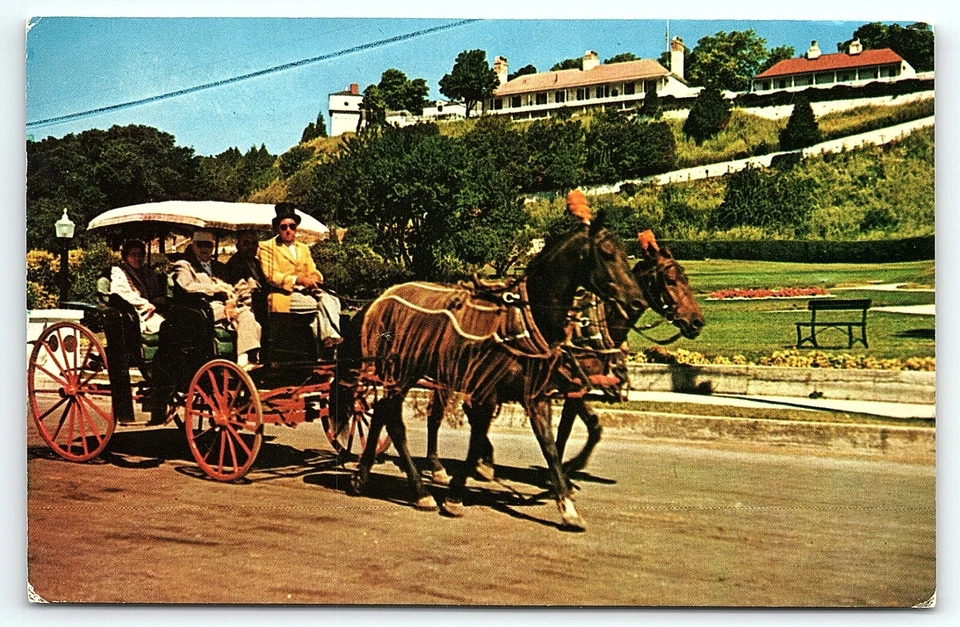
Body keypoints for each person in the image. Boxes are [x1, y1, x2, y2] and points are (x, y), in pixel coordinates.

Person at [171, 230, 261, 369]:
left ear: (213, 247)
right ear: (193, 246)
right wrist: (216, 288)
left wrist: (231, 302)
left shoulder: (219, 267)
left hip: (223, 307)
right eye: (200, 245)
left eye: (208, 245)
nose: (204, 249)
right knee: (239, 315)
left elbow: (232, 289)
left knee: (249, 316)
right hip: (199, 308)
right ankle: (241, 363)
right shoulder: (184, 265)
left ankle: (243, 360)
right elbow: (187, 286)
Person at [257, 202, 342, 349]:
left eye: (292, 226)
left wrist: (316, 278)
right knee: (316, 305)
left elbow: (313, 269)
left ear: (296, 228)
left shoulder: (303, 248)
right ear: (278, 228)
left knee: (332, 298)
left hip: (307, 291)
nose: (288, 230)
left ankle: (330, 337)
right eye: (284, 227)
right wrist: (298, 280)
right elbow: (271, 275)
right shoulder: (267, 247)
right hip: (283, 294)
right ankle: (323, 342)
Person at [110, 239, 166, 334]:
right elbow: (121, 293)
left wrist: (158, 299)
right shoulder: (118, 272)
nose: (137, 258)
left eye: (140, 255)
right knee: (165, 326)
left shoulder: (147, 272)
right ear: (126, 256)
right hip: (136, 312)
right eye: (133, 255)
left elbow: (155, 292)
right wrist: (145, 304)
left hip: (153, 309)